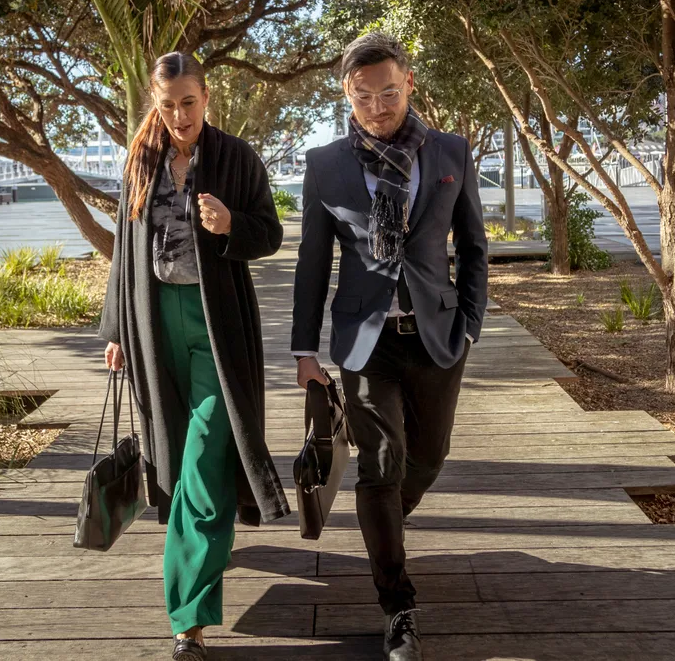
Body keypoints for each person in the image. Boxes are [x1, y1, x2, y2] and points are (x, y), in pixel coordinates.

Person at [291, 32, 488, 661]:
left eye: (389, 93)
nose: (377, 107)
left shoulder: (452, 151)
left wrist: (471, 324)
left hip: (437, 336)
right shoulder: (325, 163)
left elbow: (474, 247)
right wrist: (304, 350)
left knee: (426, 458)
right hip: (365, 341)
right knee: (380, 464)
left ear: (409, 83)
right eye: (363, 96)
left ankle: (382, 527)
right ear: (346, 94)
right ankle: (397, 605)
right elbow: (313, 261)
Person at [99, 52, 290, 661]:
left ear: (207, 97)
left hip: (217, 327)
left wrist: (231, 223)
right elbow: (125, 249)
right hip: (154, 326)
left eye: (189, 102)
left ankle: (189, 623)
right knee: (178, 453)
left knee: (206, 457)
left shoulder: (236, 158)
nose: (180, 115)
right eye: (168, 105)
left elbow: (270, 232)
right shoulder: (140, 160)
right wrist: (116, 328)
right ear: (155, 105)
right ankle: (208, 550)